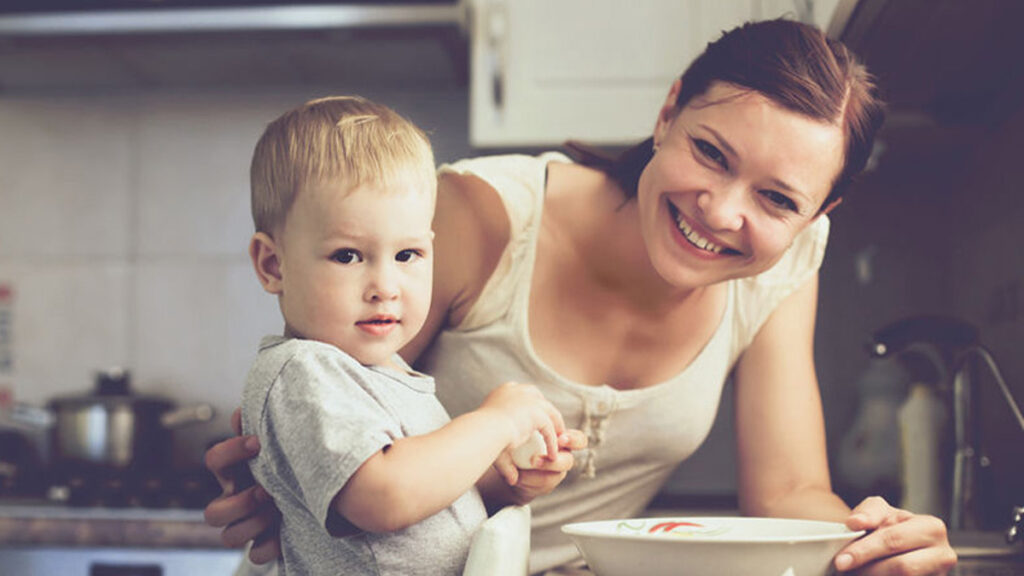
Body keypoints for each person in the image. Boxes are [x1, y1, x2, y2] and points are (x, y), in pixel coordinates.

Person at [206, 19, 958, 576]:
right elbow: (328, 410)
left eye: (777, 200)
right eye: (710, 152)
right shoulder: (477, 218)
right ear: (667, 114)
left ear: (816, 218)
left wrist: (879, 539)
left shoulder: (786, 265)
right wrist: (266, 481)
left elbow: (790, 490)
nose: (723, 211)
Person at [238, 95, 583, 576]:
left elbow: (424, 502)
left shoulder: (386, 371)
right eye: (348, 256)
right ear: (273, 265)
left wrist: (505, 479)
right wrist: (494, 423)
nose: (385, 287)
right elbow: (384, 496)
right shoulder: (303, 371)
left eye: (407, 255)